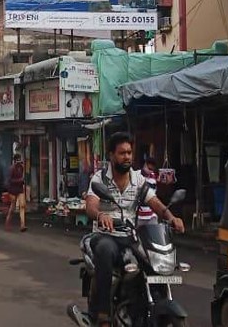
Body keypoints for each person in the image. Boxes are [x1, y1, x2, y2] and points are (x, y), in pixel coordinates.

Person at [83, 132, 185, 327]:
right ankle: (103, 315)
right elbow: (90, 205)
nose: (127, 157)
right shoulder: (100, 178)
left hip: (129, 236)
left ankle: (145, 307)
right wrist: (100, 215)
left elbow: (154, 201)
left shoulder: (138, 179)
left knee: (149, 260)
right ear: (112, 155)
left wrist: (171, 217)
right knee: (105, 250)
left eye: (129, 152)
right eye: (122, 153)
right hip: (105, 235)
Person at [4, 154, 27, 232]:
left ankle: (22, 225)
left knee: (22, 206)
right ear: (15, 160)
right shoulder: (11, 168)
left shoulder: (21, 167)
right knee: (12, 208)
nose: (19, 161)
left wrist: (22, 181)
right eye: (18, 160)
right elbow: (9, 180)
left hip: (20, 189)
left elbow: (23, 177)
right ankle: (7, 222)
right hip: (13, 190)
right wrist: (19, 180)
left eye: (20, 159)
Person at [136, 157, 158, 226]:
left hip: (151, 215)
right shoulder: (136, 176)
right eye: (149, 169)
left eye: (152, 169)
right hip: (138, 215)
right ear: (145, 165)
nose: (150, 171)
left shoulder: (153, 177)